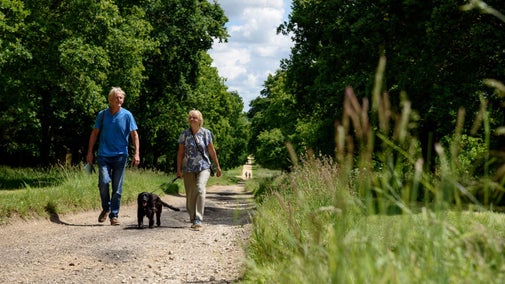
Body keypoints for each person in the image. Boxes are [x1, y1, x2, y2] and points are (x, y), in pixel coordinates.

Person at [86, 87, 140, 226]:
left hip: (121, 156)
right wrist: (90, 152)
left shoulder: (127, 115)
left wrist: (137, 153)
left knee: (117, 187)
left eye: (121, 98)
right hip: (104, 154)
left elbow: (134, 135)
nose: (119, 100)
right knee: (103, 182)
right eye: (116, 97)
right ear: (110, 99)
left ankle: (114, 215)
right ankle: (106, 207)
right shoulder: (102, 115)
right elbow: (94, 134)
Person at [177, 109, 222, 229]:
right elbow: (180, 153)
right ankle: (192, 218)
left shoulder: (206, 133)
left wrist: (217, 166)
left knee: (200, 188)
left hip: (204, 166)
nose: (192, 119)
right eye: (190, 117)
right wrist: (178, 169)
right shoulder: (184, 134)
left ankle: (198, 219)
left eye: (194, 117)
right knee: (190, 194)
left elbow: (212, 151)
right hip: (188, 168)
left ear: (200, 120)